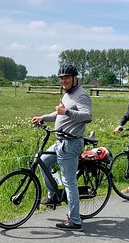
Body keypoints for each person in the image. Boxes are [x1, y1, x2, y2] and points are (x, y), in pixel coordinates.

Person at [31, 63, 93, 231]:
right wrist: (42, 117)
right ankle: (52, 196)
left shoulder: (81, 95)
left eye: (67, 78)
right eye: (62, 78)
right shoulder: (67, 95)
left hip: (71, 143)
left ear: (75, 78)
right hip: (60, 141)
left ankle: (75, 221)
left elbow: (87, 116)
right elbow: (59, 113)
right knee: (44, 160)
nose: (64, 81)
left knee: (69, 182)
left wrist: (67, 112)